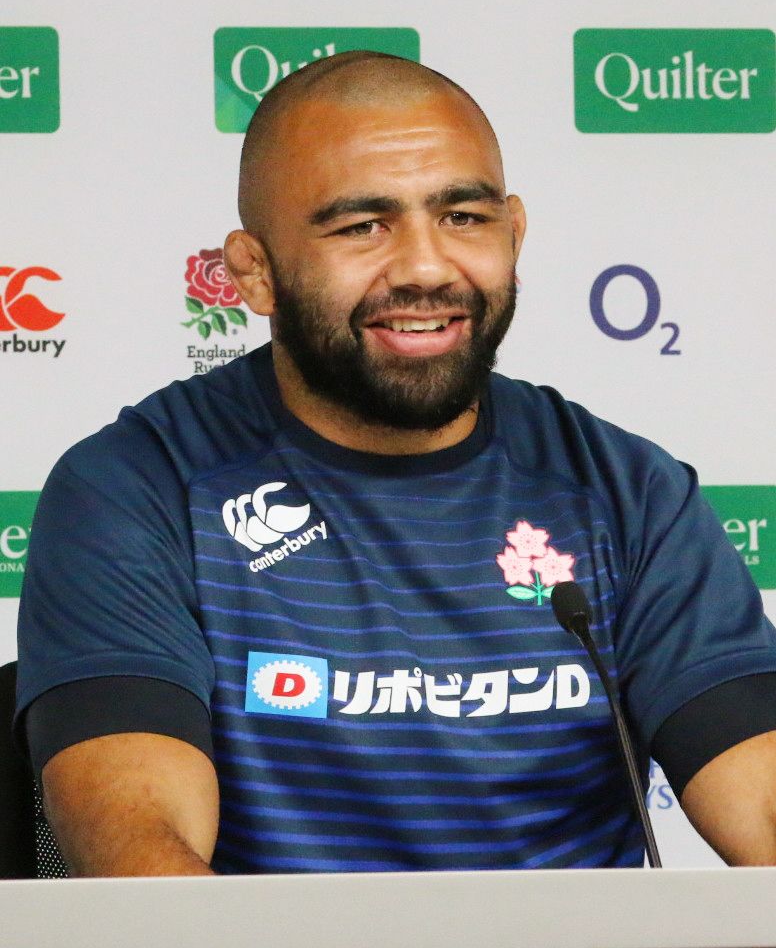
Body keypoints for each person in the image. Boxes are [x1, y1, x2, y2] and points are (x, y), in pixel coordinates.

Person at [15, 52, 776, 877]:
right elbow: (139, 859)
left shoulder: (628, 492)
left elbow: (762, 802)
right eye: (361, 226)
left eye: (464, 218)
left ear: (514, 234)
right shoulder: (136, 489)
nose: (424, 267)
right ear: (254, 272)